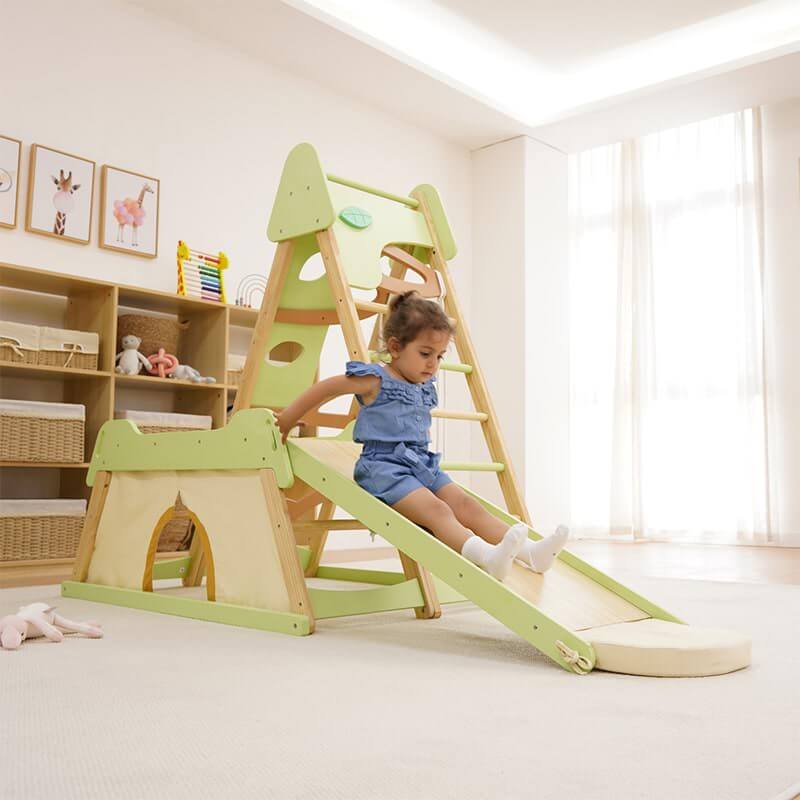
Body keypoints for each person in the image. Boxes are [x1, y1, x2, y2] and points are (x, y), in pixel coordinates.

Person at [275, 290, 569, 582]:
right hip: (383, 468)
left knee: (467, 505)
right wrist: (287, 420)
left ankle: (531, 553)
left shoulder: (424, 383)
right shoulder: (375, 379)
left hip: (421, 464)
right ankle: (485, 556)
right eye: (425, 354)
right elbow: (326, 388)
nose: (433, 364)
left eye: (439, 356)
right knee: (437, 510)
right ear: (395, 347)